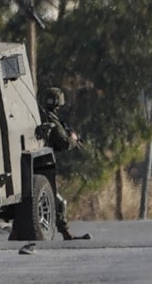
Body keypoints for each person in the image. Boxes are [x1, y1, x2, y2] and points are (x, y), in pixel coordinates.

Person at [37, 87, 91, 241]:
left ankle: (16, 235)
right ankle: (66, 233)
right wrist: (73, 140)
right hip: (43, 166)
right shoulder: (51, 119)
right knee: (59, 202)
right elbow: (64, 142)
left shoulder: (40, 115)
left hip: (37, 166)